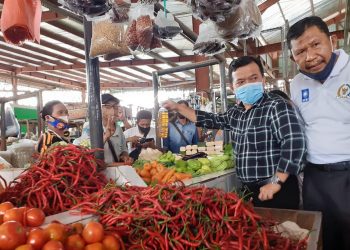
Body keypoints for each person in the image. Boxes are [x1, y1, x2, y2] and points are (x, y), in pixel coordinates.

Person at [163, 56, 307, 209]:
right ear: (233, 87)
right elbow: (211, 119)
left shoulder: (277, 106)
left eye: (253, 78)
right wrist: (178, 108)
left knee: (282, 230)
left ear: (263, 80)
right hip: (250, 190)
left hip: (277, 188)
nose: (248, 84)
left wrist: (276, 182)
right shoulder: (236, 113)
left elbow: (295, 144)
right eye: (241, 82)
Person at [287, 16, 350, 250]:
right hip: (315, 178)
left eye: (316, 44)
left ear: (332, 40)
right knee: (321, 236)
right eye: (300, 52)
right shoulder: (297, 84)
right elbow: (299, 128)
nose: (310, 57)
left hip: (348, 173)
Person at [75, 94, 133, 166]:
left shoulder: (118, 128)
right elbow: (88, 153)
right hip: (100, 172)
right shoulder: (90, 127)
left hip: (117, 170)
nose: (114, 111)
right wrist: (105, 137)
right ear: (100, 108)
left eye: (116, 107)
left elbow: (124, 149)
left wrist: (125, 157)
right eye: (109, 106)